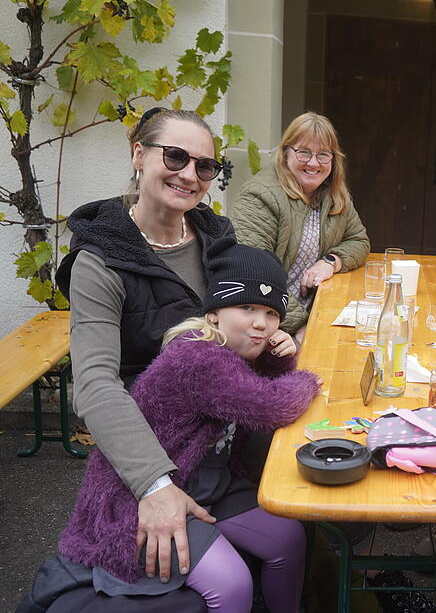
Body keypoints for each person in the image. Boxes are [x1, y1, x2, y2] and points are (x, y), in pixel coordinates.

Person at [43, 244, 316, 613]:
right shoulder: (200, 356)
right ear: (214, 313)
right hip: (144, 496)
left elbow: (257, 390)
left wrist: (277, 358)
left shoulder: (231, 349)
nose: (260, 323)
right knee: (232, 582)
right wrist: (308, 379)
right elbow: (271, 406)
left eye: (271, 313)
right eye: (247, 307)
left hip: (208, 484)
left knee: (288, 538)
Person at [52, 108, 238, 595]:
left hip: (222, 439)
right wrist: (154, 485)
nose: (189, 175)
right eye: (175, 157)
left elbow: (243, 324)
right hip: (152, 450)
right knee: (225, 581)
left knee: (300, 522)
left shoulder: (217, 238)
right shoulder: (100, 261)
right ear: (139, 155)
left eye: (205, 166)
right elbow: (95, 385)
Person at [234, 111, 370, 342]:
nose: (313, 163)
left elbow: (359, 240)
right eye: (304, 152)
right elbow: (254, 275)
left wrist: (330, 262)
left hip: (315, 310)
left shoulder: (333, 195)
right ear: (286, 153)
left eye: (323, 155)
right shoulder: (260, 196)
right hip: (268, 323)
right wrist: (302, 325)